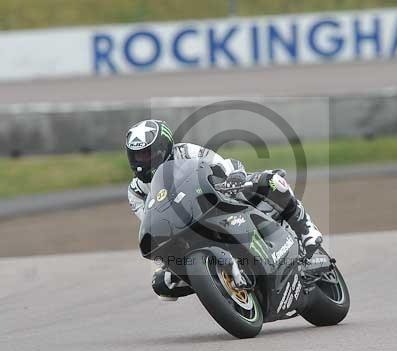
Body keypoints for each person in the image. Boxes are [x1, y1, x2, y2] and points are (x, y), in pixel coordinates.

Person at [126, 119, 322, 301]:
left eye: (147, 153)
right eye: (137, 155)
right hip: (186, 229)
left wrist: (233, 177)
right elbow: (152, 222)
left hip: (217, 200)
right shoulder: (135, 191)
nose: (141, 161)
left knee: (272, 182)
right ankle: (215, 282)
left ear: (163, 147)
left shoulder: (185, 152)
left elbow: (221, 163)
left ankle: (306, 230)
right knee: (162, 285)